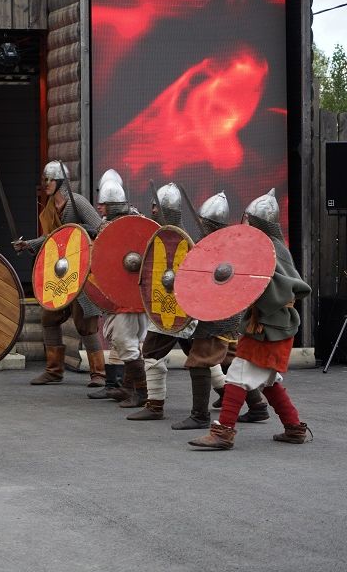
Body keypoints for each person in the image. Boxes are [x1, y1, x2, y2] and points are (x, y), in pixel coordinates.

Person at [189, 189, 311, 449]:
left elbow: (280, 287)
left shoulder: (271, 249)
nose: (245, 223)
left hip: (269, 327)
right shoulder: (268, 246)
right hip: (269, 325)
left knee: (237, 375)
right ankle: (294, 428)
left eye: (249, 219)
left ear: (258, 222)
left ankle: (223, 433)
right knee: (268, 381)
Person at [126, 187, 232, 428]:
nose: (152, 209)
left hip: (179, 309)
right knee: (199, 357)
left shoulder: (181, 239)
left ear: (168, 210)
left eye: (156, 206)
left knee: (164, 354)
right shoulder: (166, 235)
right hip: (172, 309)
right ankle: (233, 396)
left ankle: (157, 407)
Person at [12, 161, 106, 387]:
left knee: (85, 324)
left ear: (60, 181)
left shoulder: (78, 203)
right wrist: (29, 245)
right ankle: (54, 371)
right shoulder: (50, 209)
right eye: (44, 180)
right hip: (61, 273)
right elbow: (53, 238)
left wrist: (80, 232)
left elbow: (100, 228)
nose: (45, 184)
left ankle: (99, 374)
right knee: (49, 318)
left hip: (81, 272)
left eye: (49, 180)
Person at [94, 177, 149, 408]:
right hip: (122, 294)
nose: (99, 207)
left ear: (114, 205)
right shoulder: (118, 224)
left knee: (126, 341)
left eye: (103, 204)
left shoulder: (134, 224)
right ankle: (128, 387)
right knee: (128, 342)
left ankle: (142, 393)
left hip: (132, 295)